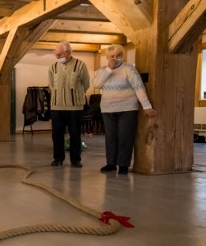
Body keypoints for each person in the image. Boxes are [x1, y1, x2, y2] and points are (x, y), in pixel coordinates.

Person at [92, 44, 157, 174]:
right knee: (110, 137)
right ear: (107, 57)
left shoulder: (129, 69)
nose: (115, 58)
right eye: (112, 56)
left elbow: (139, 87)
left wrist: (146, 106)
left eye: (118, 55)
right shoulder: (102, 70)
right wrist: (109, 70)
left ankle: (123, 165)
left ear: (122, 56)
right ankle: (111, 163)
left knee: (125, 137)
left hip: (127, 108)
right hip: (107, 109)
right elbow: (96, 84)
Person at [48, 41, 90, 167]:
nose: (57, 57)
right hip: (56, 106)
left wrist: (75, 95)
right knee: (57, 134)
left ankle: (75, 160)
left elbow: (86, 84)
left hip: (75, 107)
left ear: (68, 52)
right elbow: (51, 85)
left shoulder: (81, 65)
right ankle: (58, 159)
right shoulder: (53, 67)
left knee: (75, 134)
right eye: (56, 55)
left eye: (60, 54)